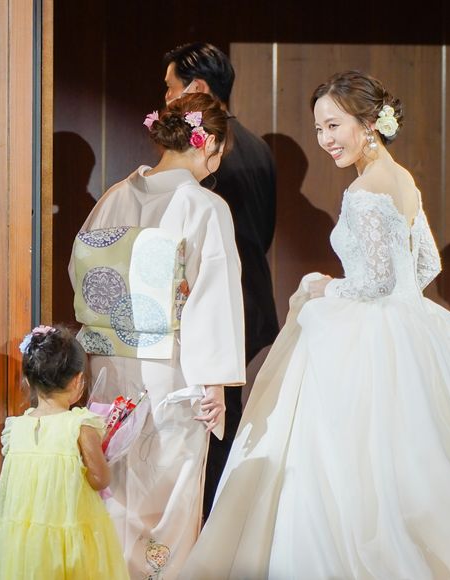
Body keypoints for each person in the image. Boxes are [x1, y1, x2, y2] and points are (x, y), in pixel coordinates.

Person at [179, 70, 450, 579]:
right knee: (416, 462)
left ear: (368, 123)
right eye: (319, 129)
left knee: (346, 463)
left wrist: (325, 288)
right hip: (418, 328)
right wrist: (393, 296)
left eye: (334, 126)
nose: (326, 140)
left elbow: (378, 281)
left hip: (370, 337)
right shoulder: (403, 179)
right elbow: (427, 266)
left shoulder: (363, 191)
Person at [68, 92, 245, 579]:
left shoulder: (114, 196)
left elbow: (81, 274)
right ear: (208, 143)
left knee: (113, 484)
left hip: (109, 364)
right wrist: (215, 382)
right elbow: (212, 295)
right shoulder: (204, 205)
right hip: (173, 367)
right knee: (168, 492)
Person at [163, 42, 279, 517]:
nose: (166, 99)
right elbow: (264, 232)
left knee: (209, 426)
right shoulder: (259, 147)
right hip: (254, 302)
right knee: (229, 421)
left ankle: (204, 529)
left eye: (170, 87)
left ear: (196, 87)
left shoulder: (204, 150)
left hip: (214, 307)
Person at [0, 325, 129, 579]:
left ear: (28, 381)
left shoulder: (15, 429)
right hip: (71, 539)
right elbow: (100, 479)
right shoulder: (80, 425)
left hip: (26, 547)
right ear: (78, 380)